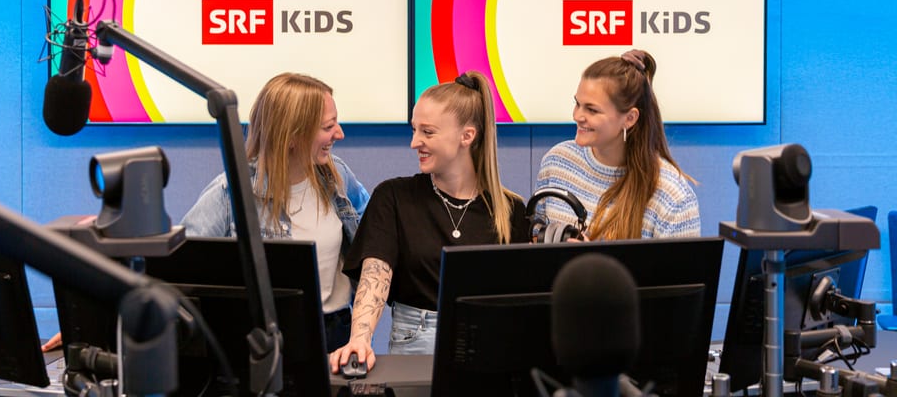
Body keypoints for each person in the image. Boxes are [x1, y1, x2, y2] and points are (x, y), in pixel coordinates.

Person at [329, 70, 531, 374]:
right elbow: (376, 273)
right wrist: (360, 338)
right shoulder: (394, 196)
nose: (415, 142)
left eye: (428, 132)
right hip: (414, 341)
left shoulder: (511, 210)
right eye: (414, 130)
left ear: (467, 136)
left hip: (489, 347)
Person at [181, 72, 369, 352]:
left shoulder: (337, 176)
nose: (339, 134)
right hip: (269, 339)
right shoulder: (231, 192)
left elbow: (374, 234)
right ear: (293, 136)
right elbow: (181, 266)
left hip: (337, 331)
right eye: (328, 126)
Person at [531, 49, 699, 240]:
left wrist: (593, 263)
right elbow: (537, 233)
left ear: (629, 118)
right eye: (577, 104)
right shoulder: (557, 161)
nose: (577, 116)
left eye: (592, 110)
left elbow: (683, 271)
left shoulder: (673, 197)